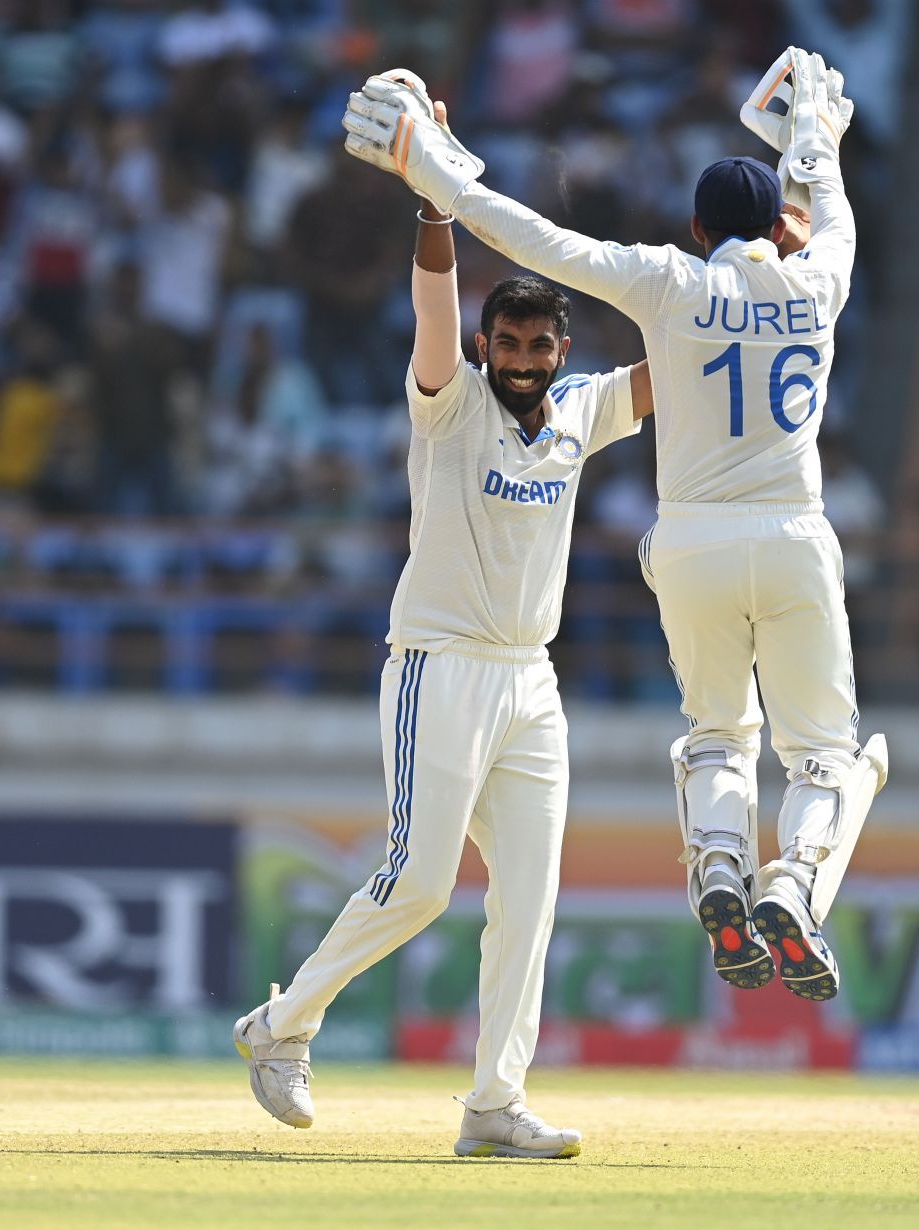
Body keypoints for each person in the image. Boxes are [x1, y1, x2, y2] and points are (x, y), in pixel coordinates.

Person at [342, 50, 887, 1003]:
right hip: (795, 531)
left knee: (718, 735)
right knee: (826, 756)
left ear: (697, 226)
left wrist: (429, 170)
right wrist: (815, 144)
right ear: (780, 230)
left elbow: (537, 240)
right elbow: (832, 211)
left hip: (690, 542)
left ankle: (720, 870)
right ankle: (791, 888)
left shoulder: (668, 281)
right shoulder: (820, 282)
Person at [234, 84, 653, 1159]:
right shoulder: (451, 400)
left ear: (563, 345)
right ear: (487, 341)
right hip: (440, 666)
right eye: (504, 341)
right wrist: (433, 192)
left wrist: (766, 286)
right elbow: (433, 304)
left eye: (536, 344)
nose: (519, 358)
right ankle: (280, 1027)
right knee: (420, 884)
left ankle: (493, 1105)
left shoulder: (584, 410)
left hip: (531, 681)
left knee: (529, 900)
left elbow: (682, 367)